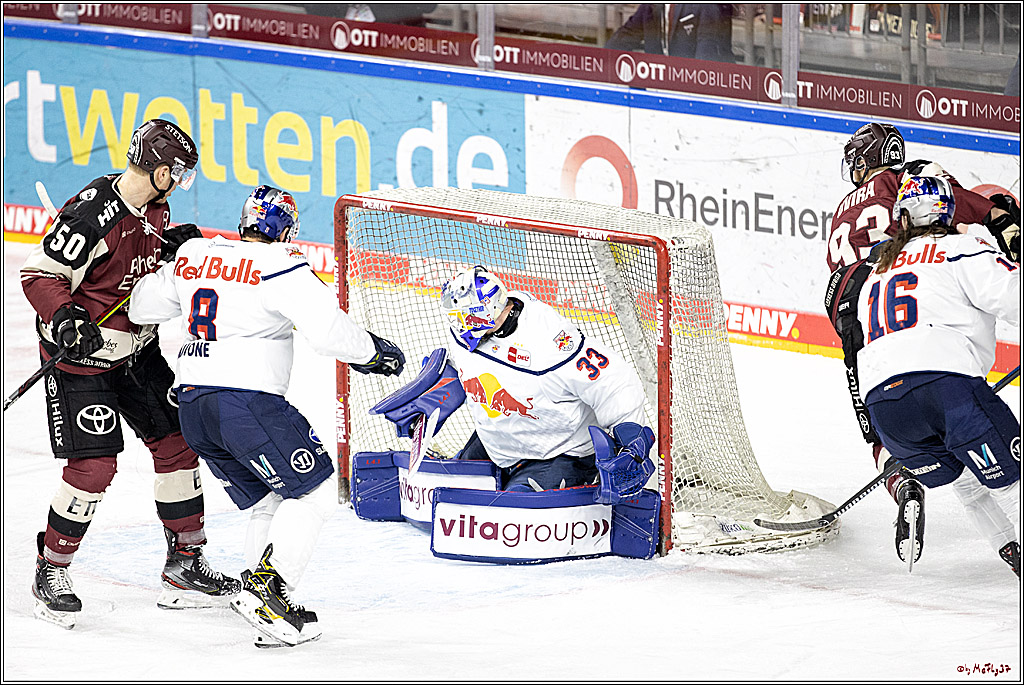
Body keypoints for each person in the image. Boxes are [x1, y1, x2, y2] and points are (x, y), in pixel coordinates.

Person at [127, 185, 406, 647]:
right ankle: (271, 594)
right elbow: (327, 331)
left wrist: (170, 265)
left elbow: (140, 307)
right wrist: (372, 352)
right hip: (247, 406)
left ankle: (258, 601)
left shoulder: (196, 254)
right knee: (315, 491)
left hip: (196, 408)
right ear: (286, 229)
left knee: (267, 502)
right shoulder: (282, 264)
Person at [21, 119, 240, 629]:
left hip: (138, 356)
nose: (181, 182)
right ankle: (50, 567)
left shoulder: (156, 210)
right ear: (159, 169)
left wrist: (170, 248)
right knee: (95, 469)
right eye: (178, 172)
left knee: (180, 443)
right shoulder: (90, 213)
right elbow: (39, 273)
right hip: (81, 362)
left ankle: (185, 565)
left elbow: (129, 263)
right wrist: (67, 317)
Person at [825, 122, 1020, 565]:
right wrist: (1002, 220)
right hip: (943, 378)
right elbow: (974, 210)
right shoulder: (916, 187)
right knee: (1010, 476)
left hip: (863, 325)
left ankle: (900, 473)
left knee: (914, 447)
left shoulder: (850, 221)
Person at [381, 265, 656, 502]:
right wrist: (437, 394)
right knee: (445, 495)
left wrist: (631, 442)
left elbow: (612, 381)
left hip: (559, 454)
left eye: (462, 318)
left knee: (501, 519)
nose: (456, 324)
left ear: (481, 314)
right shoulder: (465, 332)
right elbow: (470, 368)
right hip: (497, 445)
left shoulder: (548, 340)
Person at [606, 4, 736, 64]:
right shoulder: (651, 6)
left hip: (696, 91)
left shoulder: (707, 5)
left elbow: (706, 55)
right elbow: (625, 36)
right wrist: (600, 62)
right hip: (663, 88)